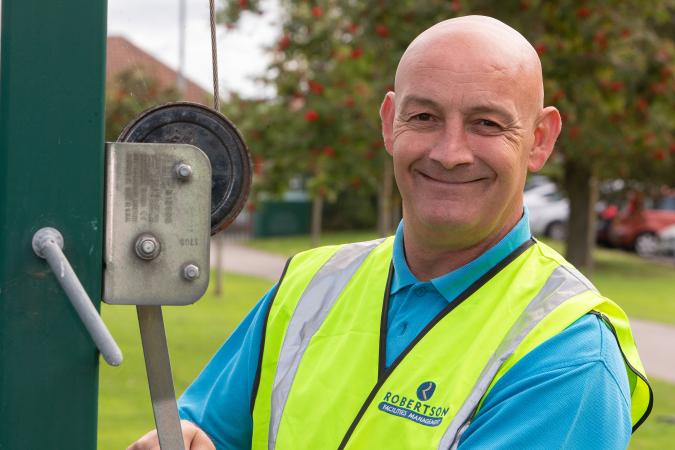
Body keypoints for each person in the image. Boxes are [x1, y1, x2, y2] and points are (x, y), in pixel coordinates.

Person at [129, 15, 652, 450]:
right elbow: (204, 430)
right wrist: (187, 437)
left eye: (487, 124)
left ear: (540, 139)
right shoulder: (308, 287)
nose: (449, 152)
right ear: (388, 123)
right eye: (424, 116)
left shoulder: (568, 358)